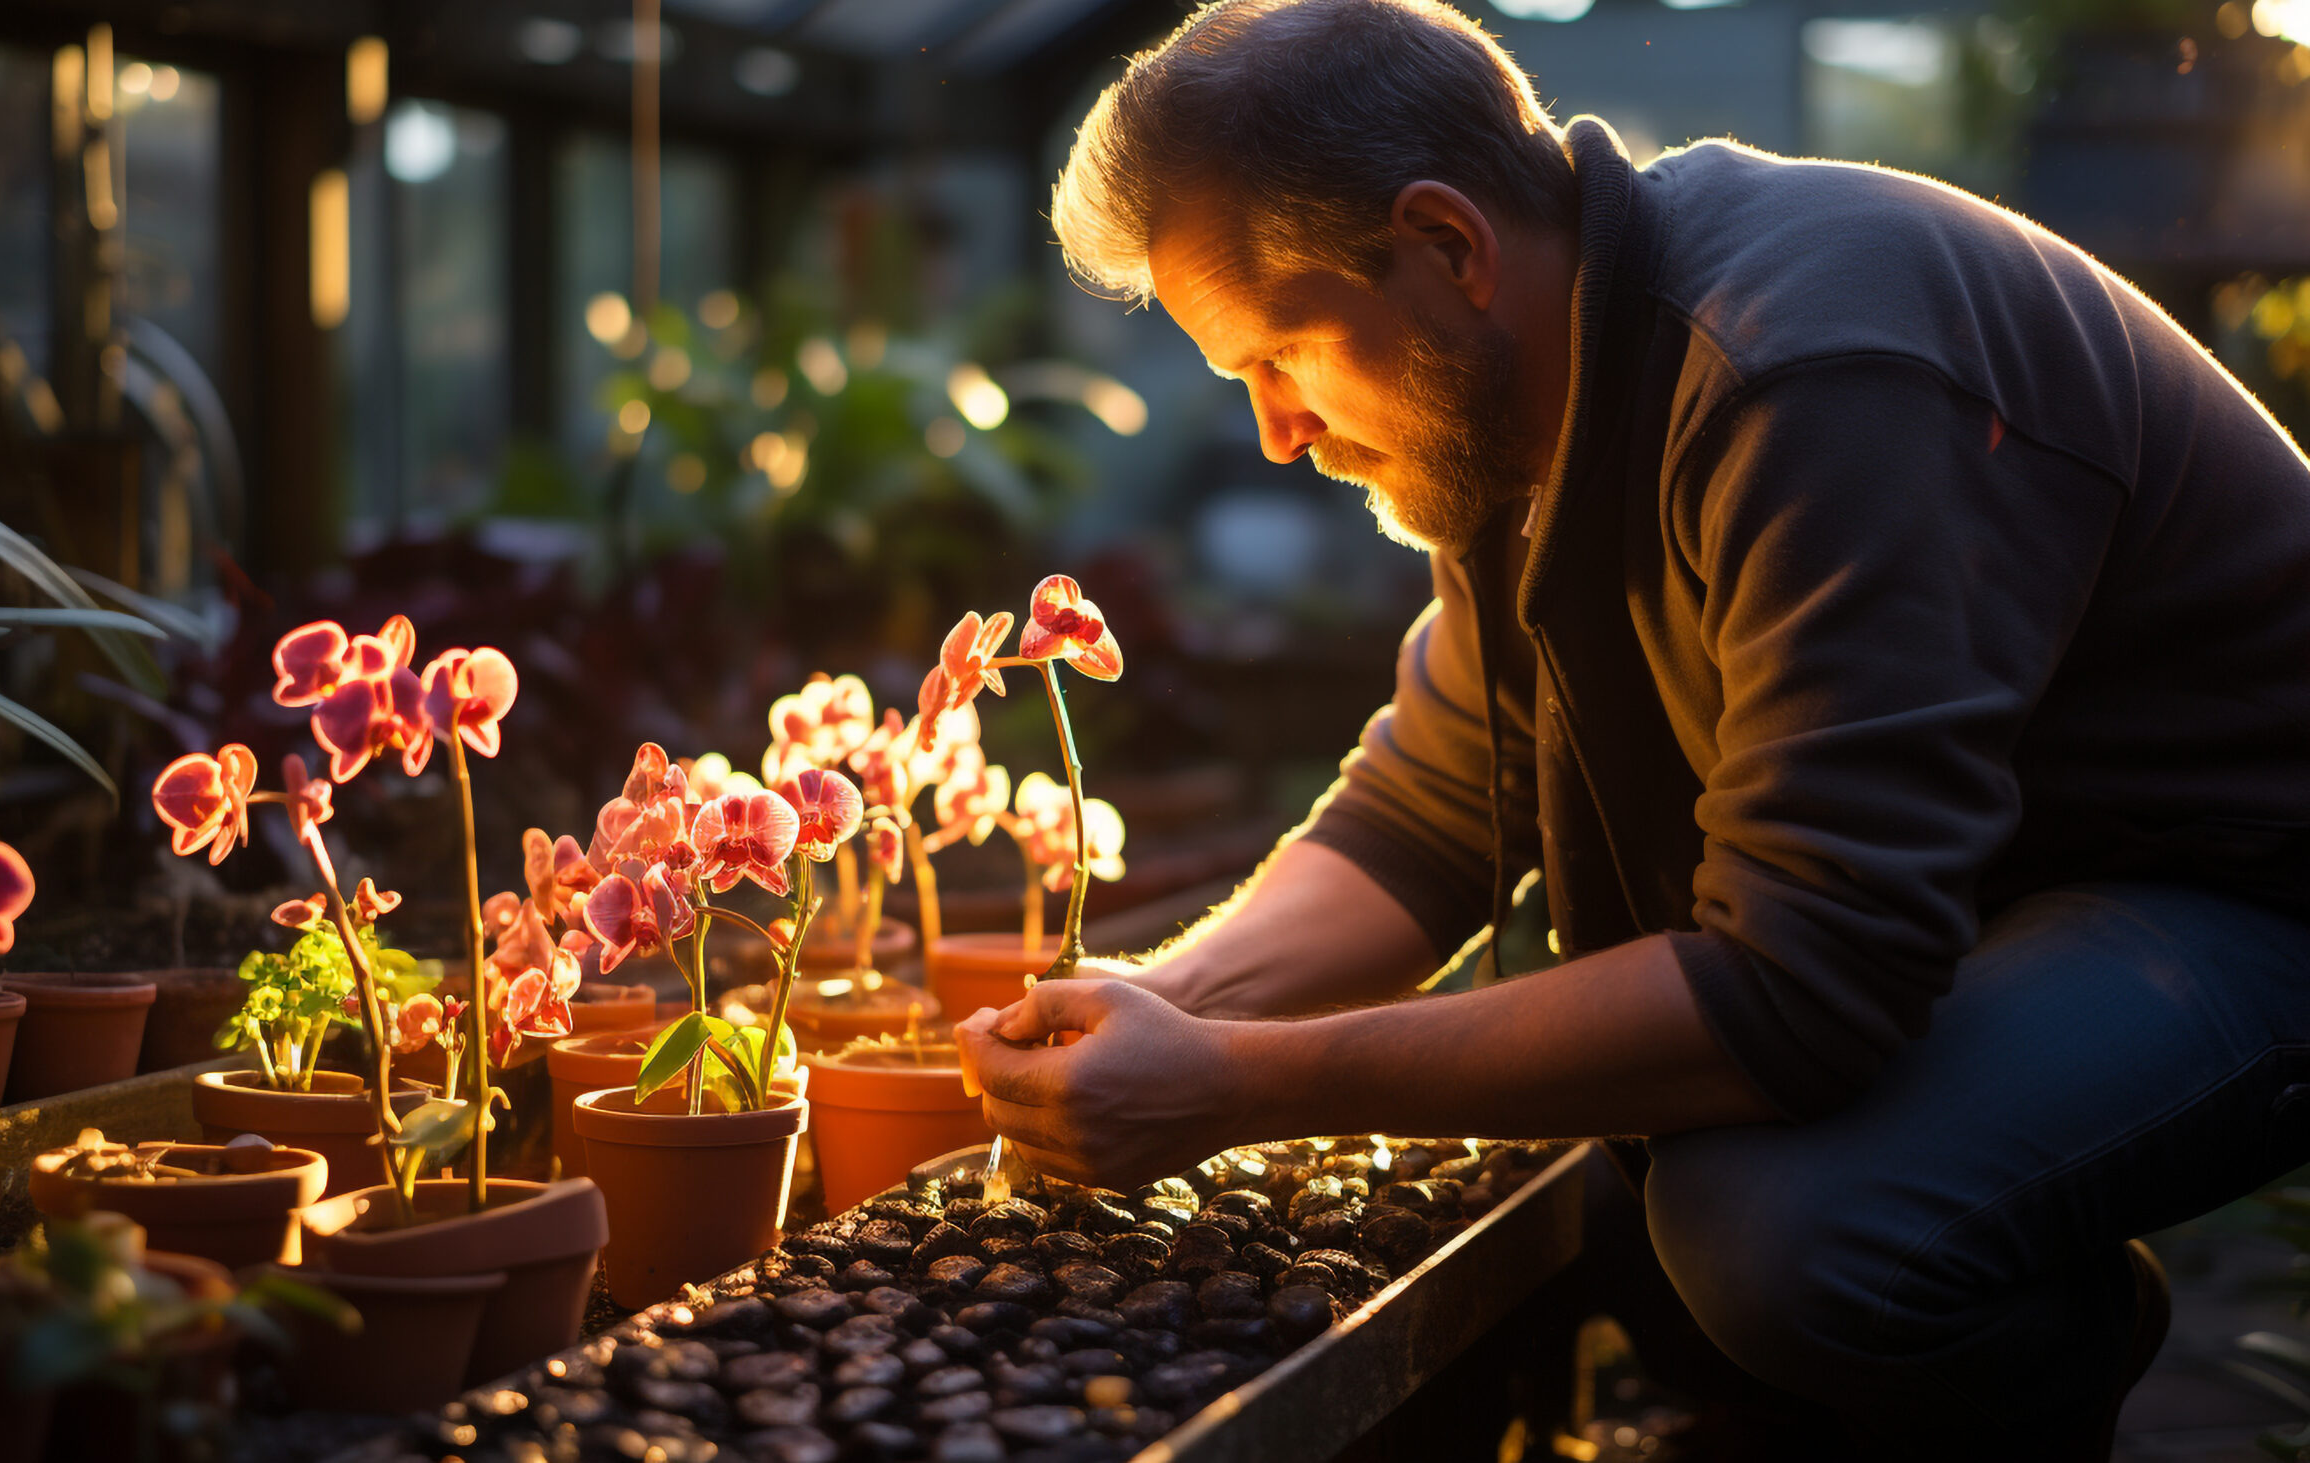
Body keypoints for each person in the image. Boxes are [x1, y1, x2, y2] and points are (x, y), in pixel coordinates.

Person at [950, 0, 2310, 1453]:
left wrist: (1240, 1086)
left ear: (1449, 246)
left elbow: (1809, 982)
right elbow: (1433, 805)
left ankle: (2064, 1364)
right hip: (2007, 894)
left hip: (2244, 883)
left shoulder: (1807, 374)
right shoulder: (1508, 395)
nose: (1277, 431)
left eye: (1280, 353)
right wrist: (1170, 1004)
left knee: (1780, 1233)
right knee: (1607, 1190)